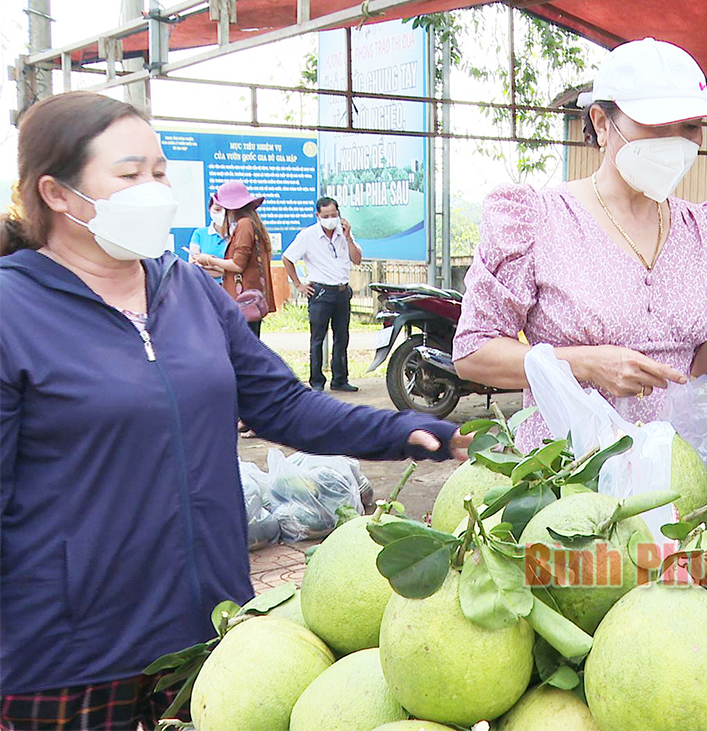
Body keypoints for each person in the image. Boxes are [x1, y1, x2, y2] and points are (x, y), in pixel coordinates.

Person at [0, 91, 469, 730]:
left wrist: (409, 430)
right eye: (130, 173)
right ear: (57, 195)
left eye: (160, 172)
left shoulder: (188, 292)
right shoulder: (13, 311)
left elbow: (283, 407)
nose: (154, 188)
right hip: (69, 652)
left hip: (207, 631)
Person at [453, 38, 707, 449]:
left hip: (676, 471)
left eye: (689, 127)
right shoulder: (539, 220)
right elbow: (473, 353)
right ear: (601, 122)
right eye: (656, 125)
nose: (675, 141)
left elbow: (699, 360)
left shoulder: (706, 231)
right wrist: (585, 364)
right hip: (569, 474)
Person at [282, 197, 363, 392]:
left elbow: (357, 259)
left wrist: (349, 237)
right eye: (326, 216)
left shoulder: (344, 235)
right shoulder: (308, 235)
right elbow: (287, 258)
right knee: (318, 338)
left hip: (342, 292)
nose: (330, 219)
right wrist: (298, 284)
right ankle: (316, 382)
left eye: (334, 215)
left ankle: (340, 379)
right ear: (317, 216)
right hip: (320, 292)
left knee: (342, 337)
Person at [192, 180, 276, 337]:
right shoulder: (252, 223)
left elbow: (237, 265)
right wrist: (216, 267)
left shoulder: (244, 225)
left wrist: (208, 260)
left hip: (244, 299)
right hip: (251, 297)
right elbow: (244, 266)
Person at [187, 197, 230, 280]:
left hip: (230, 287)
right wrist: (222, 266)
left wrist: (207, 260)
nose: (222, 214)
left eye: (227, 211)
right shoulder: (199, 233)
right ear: (210, 209)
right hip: (204, 285)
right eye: (217, 209)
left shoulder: (238, 234)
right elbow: (194, 263)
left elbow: (238, 266)